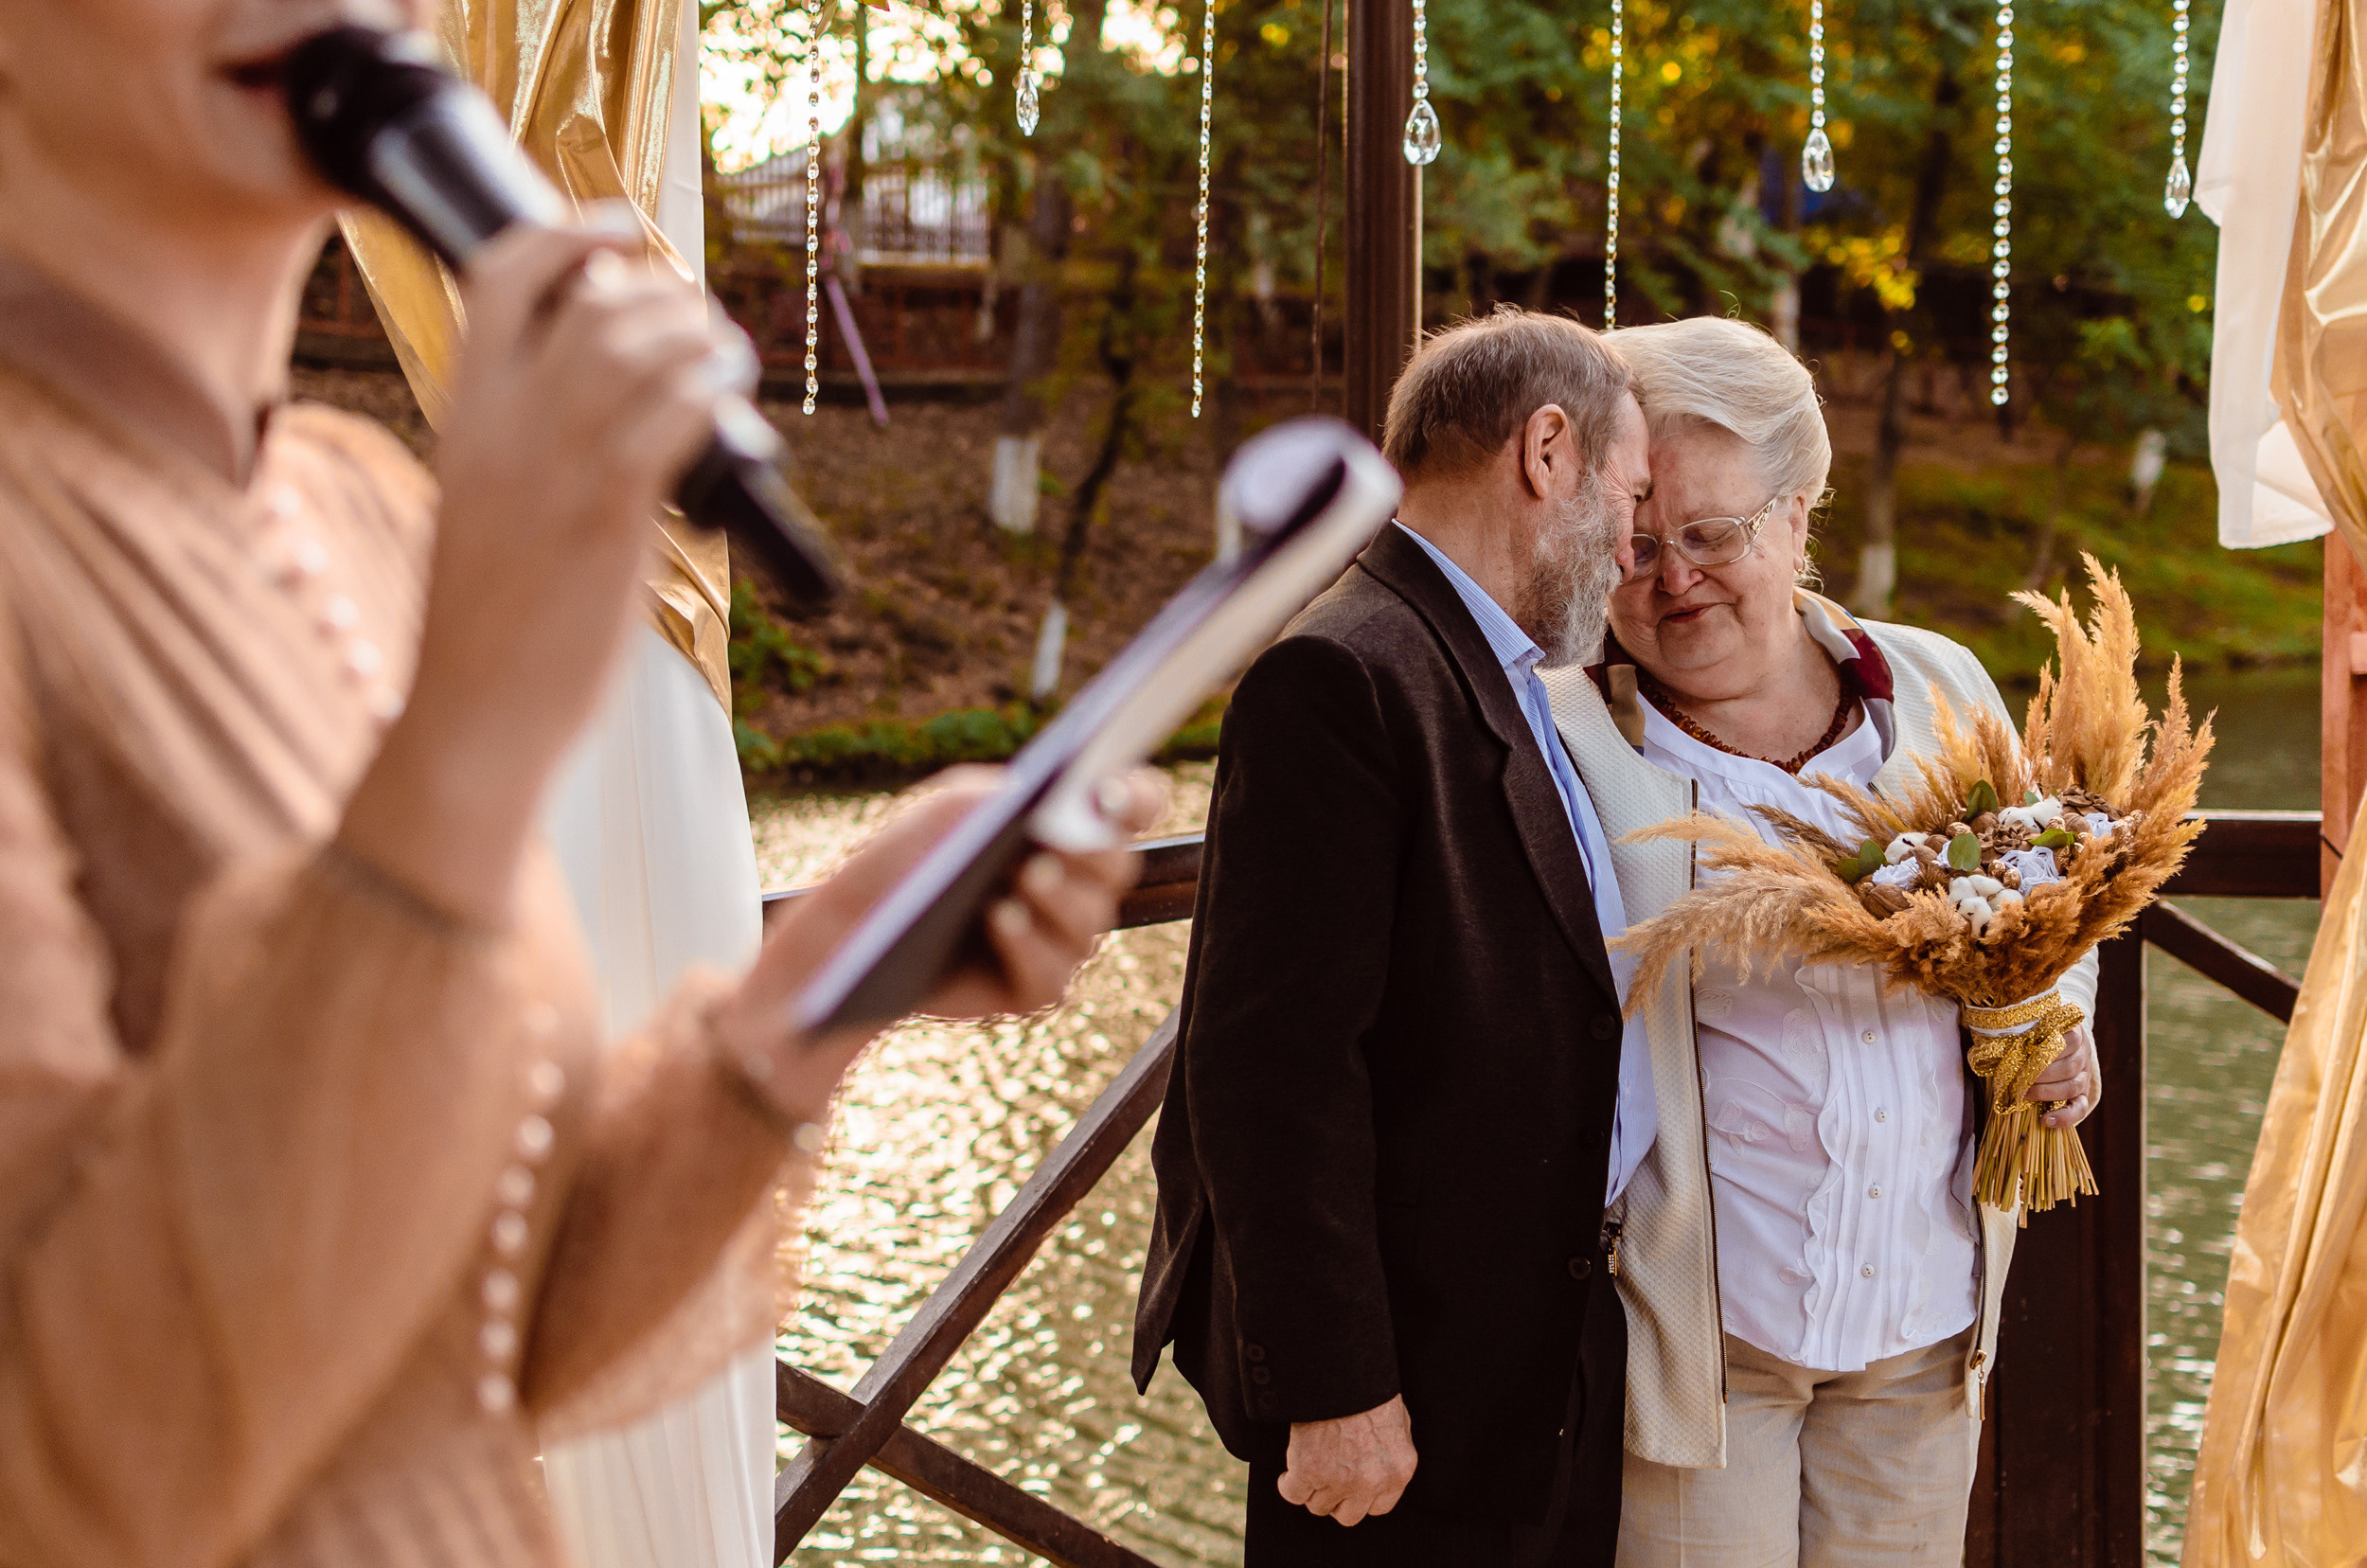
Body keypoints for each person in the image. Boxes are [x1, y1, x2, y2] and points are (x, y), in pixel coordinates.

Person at [0, 3, 1158, 1565]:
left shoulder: (357, 520)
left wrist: (812, 994)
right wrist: (473, 722)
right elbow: (70, 1455)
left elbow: (461, 1325)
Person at [1536, 314, 2099, 1564]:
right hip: (1698, 1349)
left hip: (1921, 1320)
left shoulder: (1942, 687)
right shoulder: (1568, 743)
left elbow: (2050, 903)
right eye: (1636, 542)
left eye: (1713, 534)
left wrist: (2064, 1032)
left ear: (1800, 515)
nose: (1672, 574)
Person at [1130, 308, 1656, 1566]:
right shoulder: (1345, 674)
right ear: (1547, 453)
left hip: (1517, 1372)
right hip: (1400, 1399)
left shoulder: (1496, 668)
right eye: (1630, 495)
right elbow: (1271, 1066)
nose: (1635, 546)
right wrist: (1335, 1386)